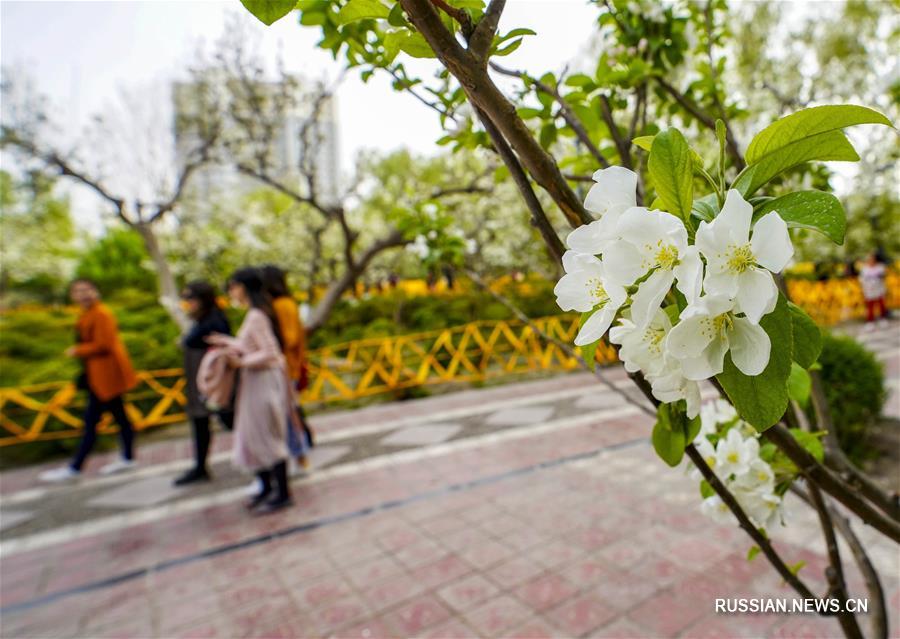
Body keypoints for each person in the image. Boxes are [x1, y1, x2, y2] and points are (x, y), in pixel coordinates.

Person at [207, 268, 293, 514]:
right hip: (257, 381)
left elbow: (270, 352)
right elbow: (252, 346)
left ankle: (281, 492)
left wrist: (240, 362)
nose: (231, 292)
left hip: (263, 381)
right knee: (255, 434)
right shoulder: (256, 314)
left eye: (232, 286)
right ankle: (269, 488)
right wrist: (227, 342)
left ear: (243, 287)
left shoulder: (256, 315)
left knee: (266, 435)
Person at [40, 279, 139, 482]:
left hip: (106, 377)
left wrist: (78, 350)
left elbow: (105, 344)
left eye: (87, 290)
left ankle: (76, 467)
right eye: (78, 291)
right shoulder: (88, 314)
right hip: (99, 376)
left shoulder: (101, 313)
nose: (83, 294)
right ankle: (127, 458)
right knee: (120, 418)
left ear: (96, 291)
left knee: (92, 422)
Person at [173, 282, 234, 486]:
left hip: (215, 383)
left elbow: (193, 341)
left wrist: (185, 341)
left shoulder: (213, 319)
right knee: (202, 423)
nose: (188, 303)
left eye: (191, 299)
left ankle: (267, 464)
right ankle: (200, 466)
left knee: (233, 420)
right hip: (204, 383)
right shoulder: (203, 319)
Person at [261, 265, 315, 462]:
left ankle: (299, 451)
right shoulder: (285, 303)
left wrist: (264, 346)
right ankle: (302, 446)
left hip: (286, 367)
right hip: (289, 365)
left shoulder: (282, 305)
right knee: (291, 410)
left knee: (288, 413)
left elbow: (290, 338)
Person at [859, 251, 888, 329]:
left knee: (881, 305)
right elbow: (862, 279)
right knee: (870, 307)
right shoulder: (864, 269)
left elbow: (883, 277)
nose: (871, 261)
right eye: (869, 259)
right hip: (869, 290)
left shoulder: (880, 267)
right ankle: (870, 322)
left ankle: (883, 319)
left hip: (879, 289)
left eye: (872, 259)